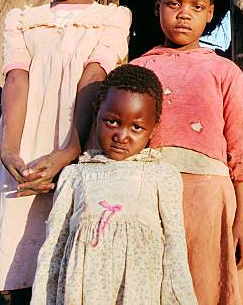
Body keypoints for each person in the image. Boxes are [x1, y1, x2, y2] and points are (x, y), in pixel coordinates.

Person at [0, 0, 131, 301]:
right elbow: (17, 79)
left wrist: (70, 149)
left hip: (79, 136)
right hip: (26, 138)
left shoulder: (111, 18)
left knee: (72, 254)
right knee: (20, 254)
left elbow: (93, 77)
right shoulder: (24, 20)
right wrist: (10, 147)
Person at [131, 0, 243, 304]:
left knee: (206, 287)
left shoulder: (224, 72)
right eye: (174, 4)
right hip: (149, 197)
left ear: (210, 13)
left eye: (196, 6)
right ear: (157, 6)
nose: (184, 14)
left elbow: (241, 148)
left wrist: (240, 220)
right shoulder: (137, 70)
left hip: (210, 200)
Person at [31, 64, 196, 304]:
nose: (122, 136)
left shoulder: (162, 177)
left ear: (154, 129)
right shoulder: (74, 176)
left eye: (136, 127)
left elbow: (175, 250)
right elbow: (53, 250)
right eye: (112, 122)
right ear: (97, 114)